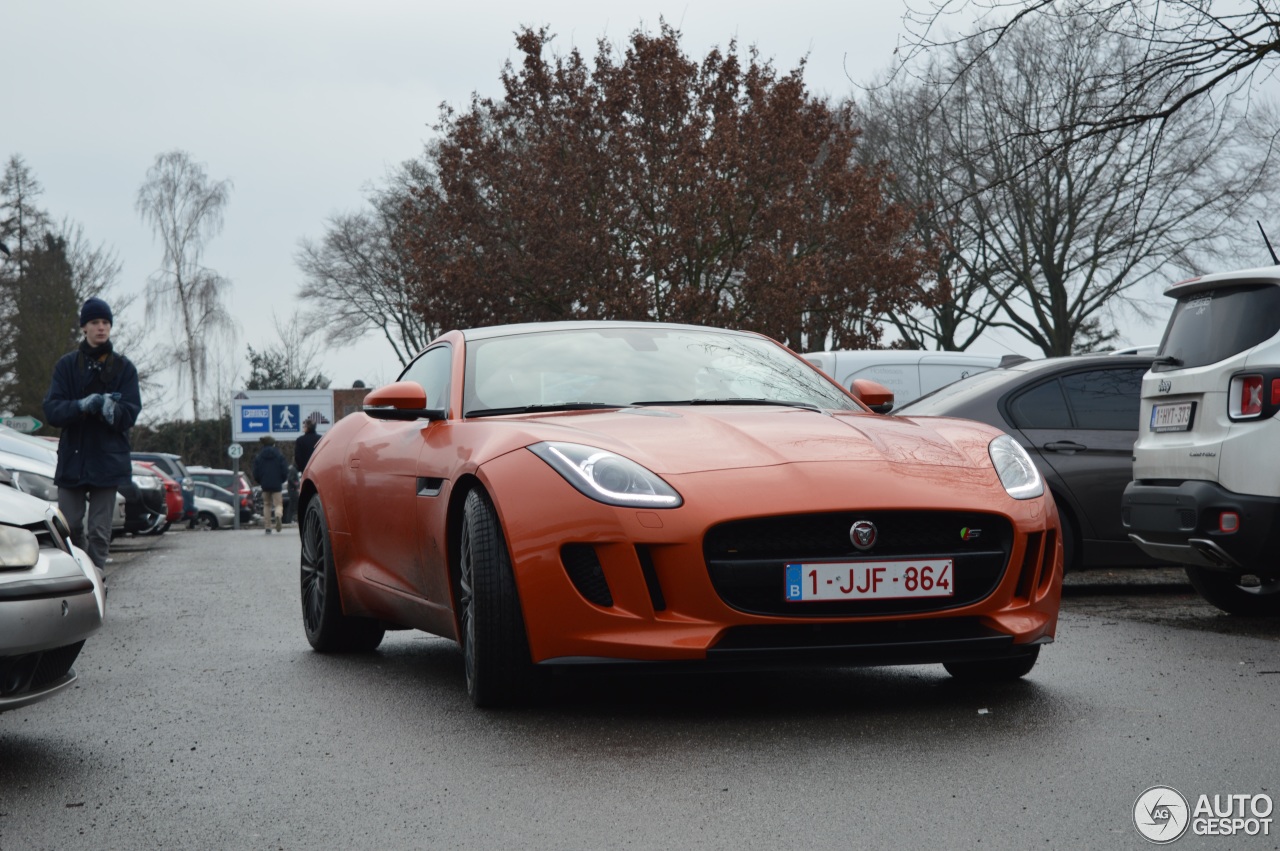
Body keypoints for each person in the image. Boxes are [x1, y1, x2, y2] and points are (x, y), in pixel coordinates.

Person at [43, 297, 142, 569]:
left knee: (100, 529)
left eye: (106, 322)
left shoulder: (124, 368)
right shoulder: (66, 367)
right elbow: (52, 410)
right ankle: (79, 570)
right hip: (73, 459)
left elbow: (131, 412)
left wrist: (112, 410)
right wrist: (80, 406)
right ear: (84, 327)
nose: (101, 328)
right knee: (70, 525)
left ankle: (97, 575)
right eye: (95, 322)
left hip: (108, 460)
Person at [253, 435, 289, 534]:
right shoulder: (279, 455)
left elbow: (256, 472)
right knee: (278, 504)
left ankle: (268, 527)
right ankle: (278, 515)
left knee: (267, 505)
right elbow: (285, 471)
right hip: (277, 484)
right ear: (273, 444)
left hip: (265, 484)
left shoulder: (259, 456)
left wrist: (260, 481)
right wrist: (281, 480)